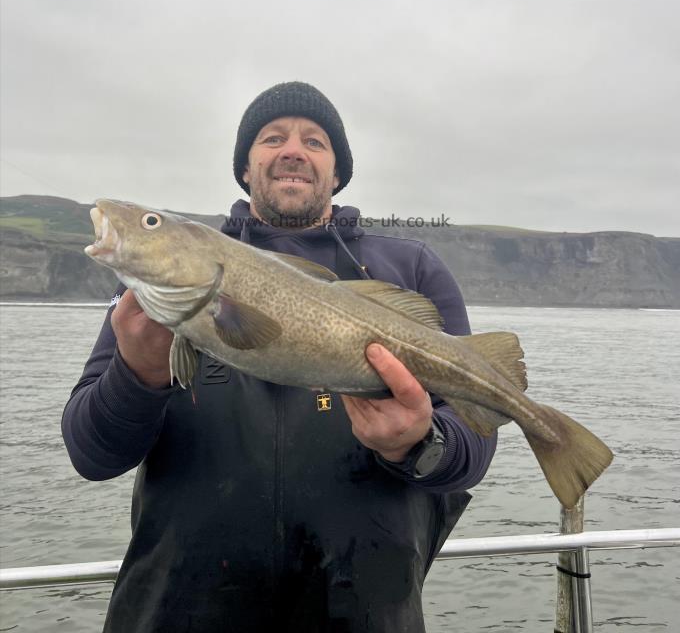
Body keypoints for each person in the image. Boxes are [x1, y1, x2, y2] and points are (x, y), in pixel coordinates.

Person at [62, 82, 497, 633]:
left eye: (314, 141)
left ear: (337, 173)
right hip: (178, 613)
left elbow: (475, 445)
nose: (292, 150)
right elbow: (91, 455)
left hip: (361, 612)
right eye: (272, 138)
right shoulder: (151, 296)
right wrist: (137, 375)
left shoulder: (410, 269)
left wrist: (420, 443)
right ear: (246, 168)